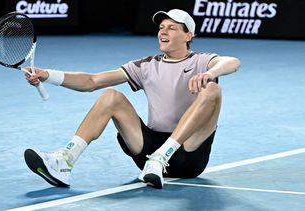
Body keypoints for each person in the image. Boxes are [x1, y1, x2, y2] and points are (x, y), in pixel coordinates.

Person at [24, 9, 240, 189]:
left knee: (213, 90)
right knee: (111, 96)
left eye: (172, 28)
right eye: (161, 27)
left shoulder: (202, 61)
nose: (163, 32)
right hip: (148, 152)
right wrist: (48, 75)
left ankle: (161, 157)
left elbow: (232, 61)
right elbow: (92, 81)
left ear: (188, 35)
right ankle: (65, 161)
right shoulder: (146, 65)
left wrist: (209, 74)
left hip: (189, 154)